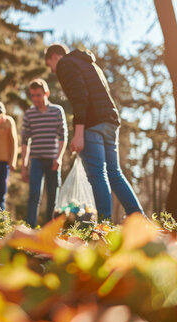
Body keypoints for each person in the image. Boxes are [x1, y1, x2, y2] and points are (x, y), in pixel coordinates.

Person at [44, 43, 143, 220]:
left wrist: (79, 133)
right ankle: (139, 219)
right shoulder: (88, 63)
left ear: (54, 57)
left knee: (97, 174)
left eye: (49, 65)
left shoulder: (65, 64)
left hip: (93, 124)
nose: (52, 70)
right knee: (114, 173)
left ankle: (104, 224)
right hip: (111, 121)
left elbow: (79, 96)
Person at [20, 79, 68, 227]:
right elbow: (24, 141)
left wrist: (58, 158)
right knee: (34, 195)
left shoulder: (57, 111)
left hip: (53, 160)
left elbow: (63, 136)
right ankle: (30, 228)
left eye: (38, 95)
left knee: (53, 196)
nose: (35, 99)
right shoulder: (29, 114)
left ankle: (49, 230)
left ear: (46, 93)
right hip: (36, 161)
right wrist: (24, 165)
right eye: (33, 95)